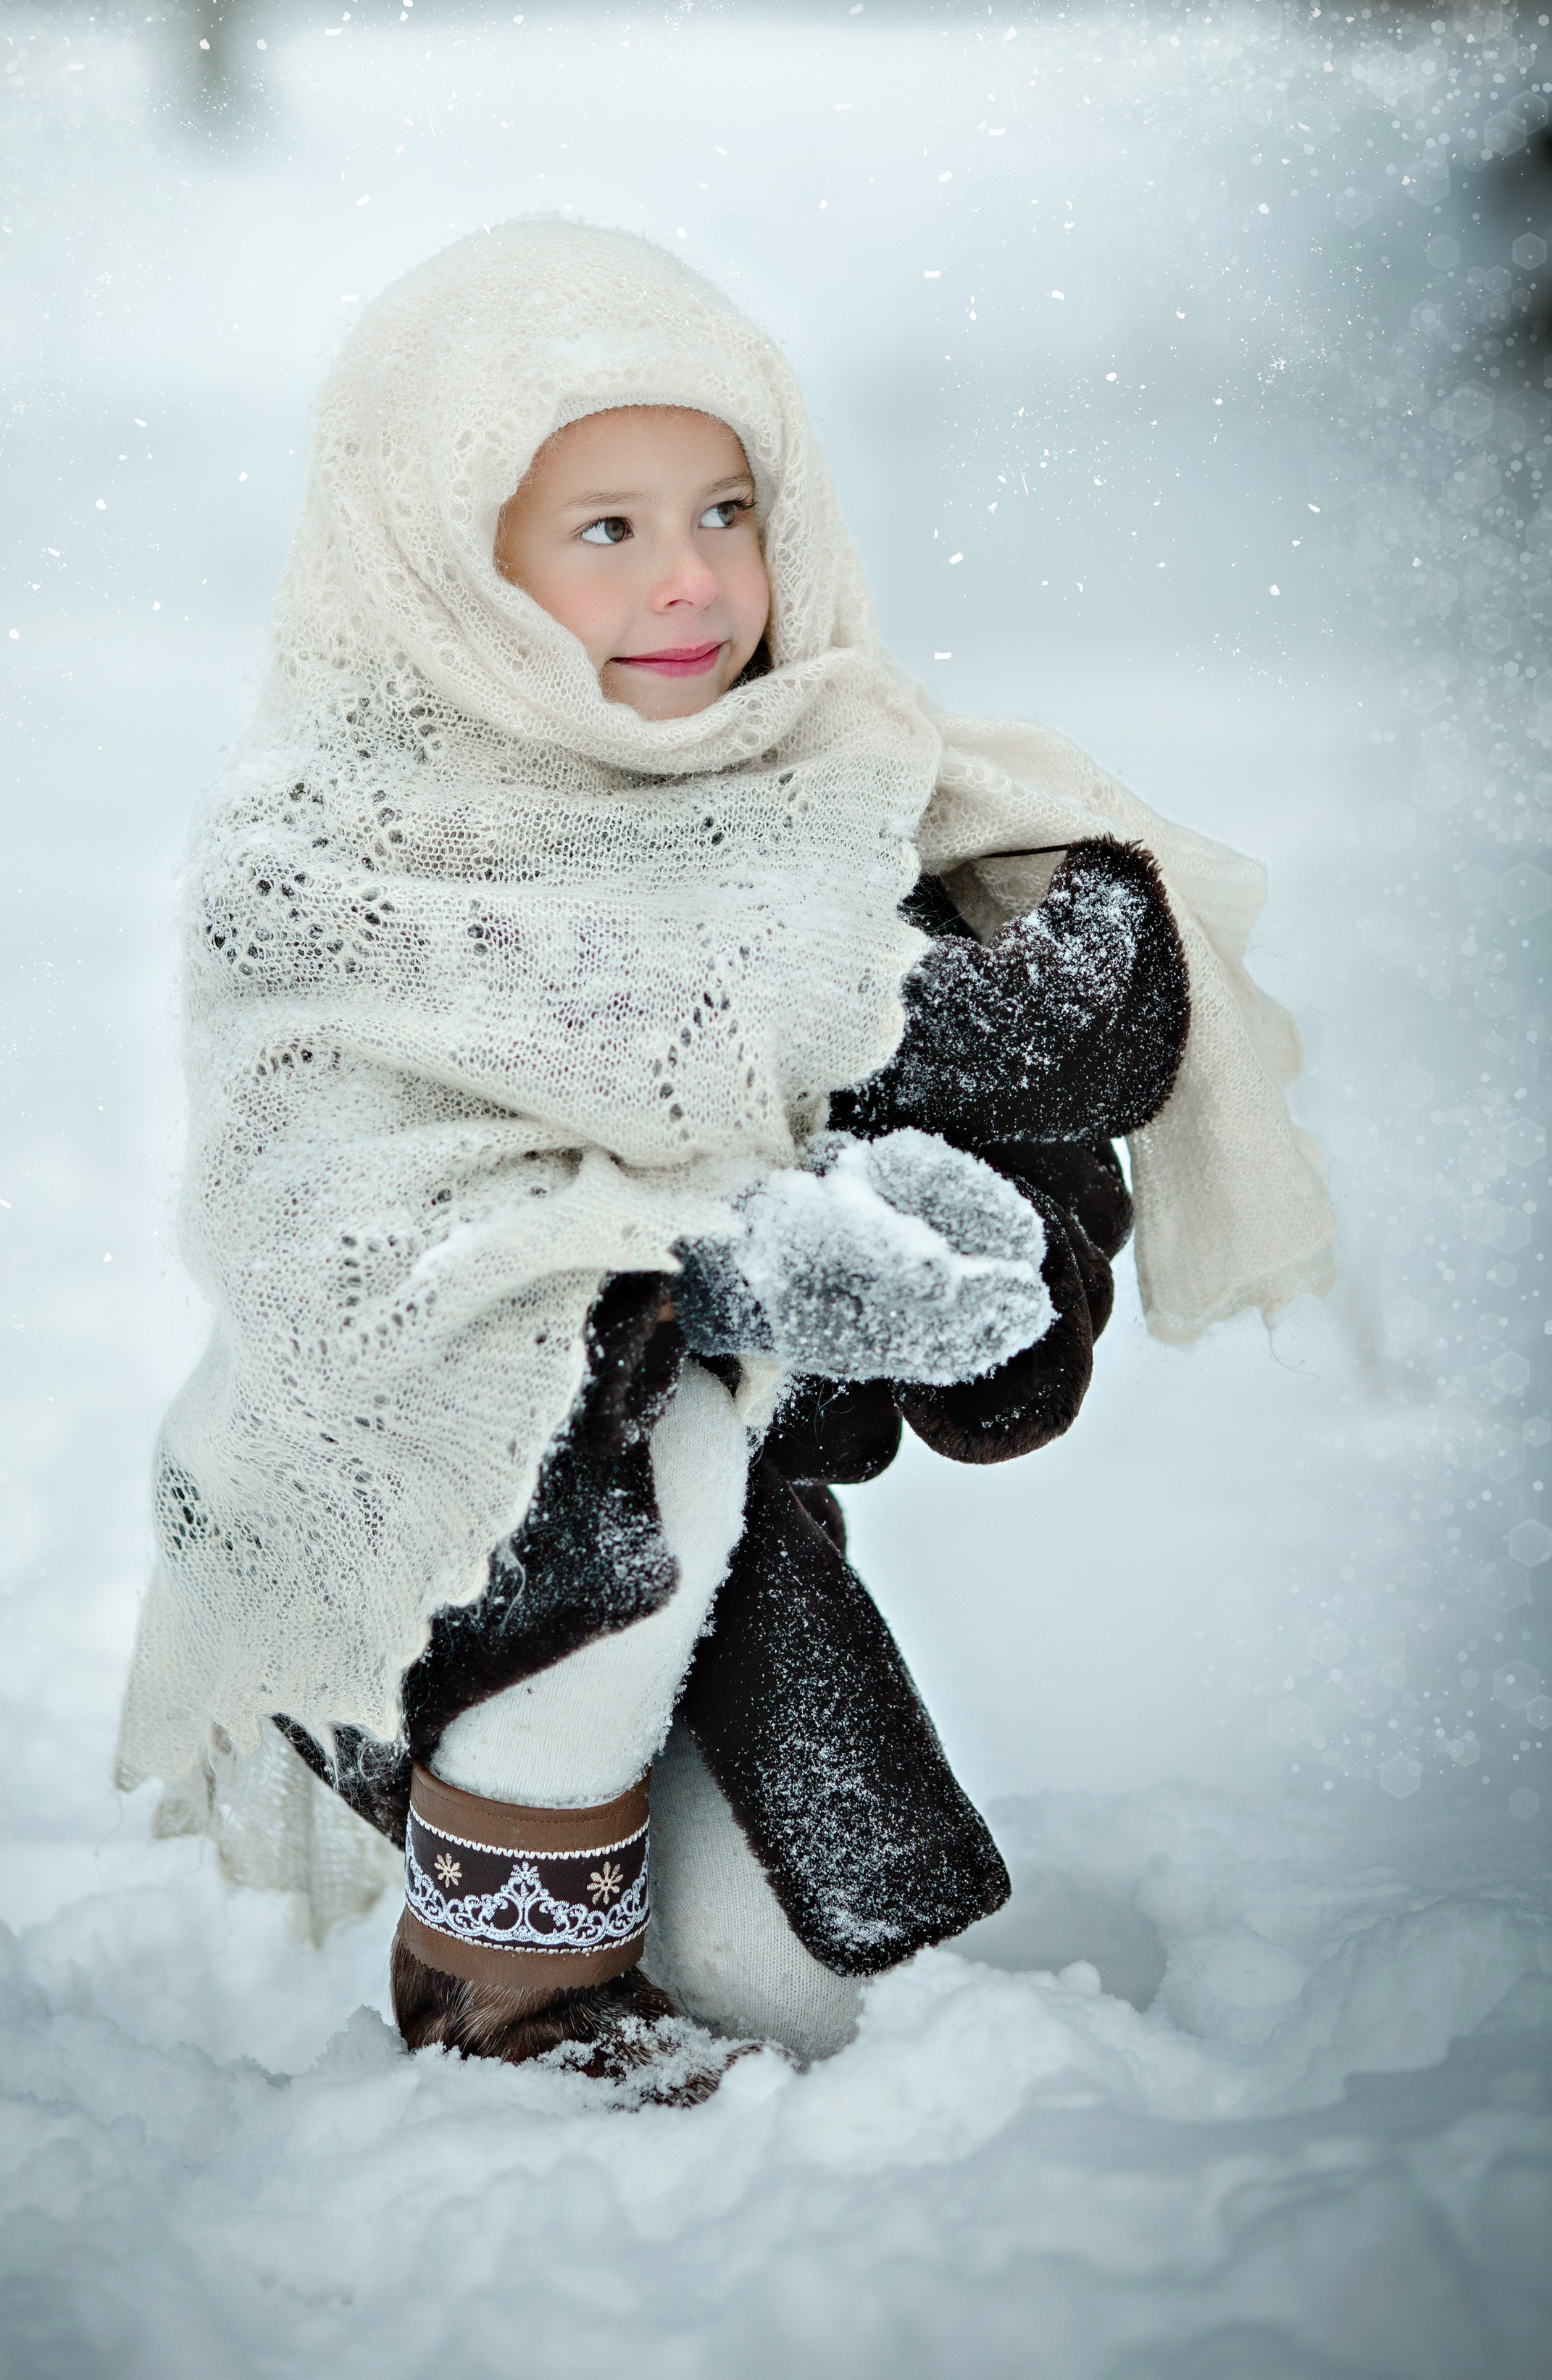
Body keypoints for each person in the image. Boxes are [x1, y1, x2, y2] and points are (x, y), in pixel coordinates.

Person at [116, 220, 1332, 2101]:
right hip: (406, 1540)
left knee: (817, 2004)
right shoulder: (336, 858)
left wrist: (963, 1261)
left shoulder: (829, 814)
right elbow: (355, 1253)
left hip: (689, 1584)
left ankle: (645, 1885)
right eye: (605, 530)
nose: (691, 580)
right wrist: (742, 1258)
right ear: (449, 567)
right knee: (656, 1421)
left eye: (728, 512)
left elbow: (999, 1158)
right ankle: (504, 1996)